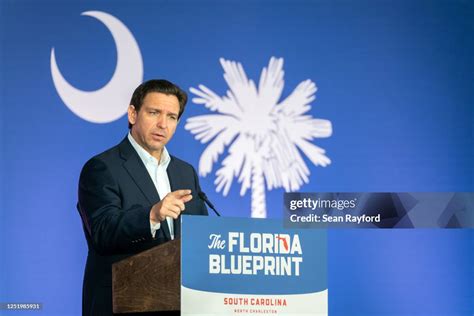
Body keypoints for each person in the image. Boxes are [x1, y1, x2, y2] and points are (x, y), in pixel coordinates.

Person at [77, 79, 208, 315]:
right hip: (121, 303)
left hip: (178, 305)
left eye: (171, 117)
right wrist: (152, 214)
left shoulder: (185, 171)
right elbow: (103, 231)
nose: (162, 124)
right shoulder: (102, 167)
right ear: (132, 114)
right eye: (154, 112)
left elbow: (200, 237)